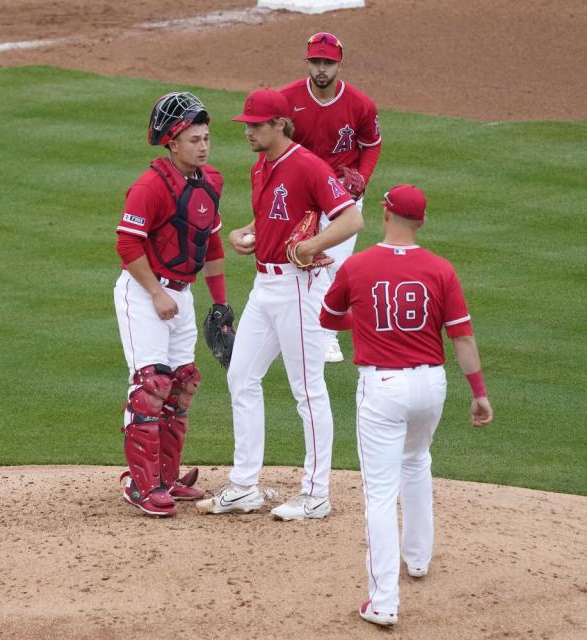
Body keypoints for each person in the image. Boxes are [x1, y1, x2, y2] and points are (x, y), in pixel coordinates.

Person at [318, 184, 493, 626]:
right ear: (422, 222)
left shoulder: (358, 266)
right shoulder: (440, 269)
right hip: (431, 386)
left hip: (383, 387)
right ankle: (417, 559)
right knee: (416, 462)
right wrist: (478, 392)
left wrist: (365, 314)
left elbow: (327, 318)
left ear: (385, 214)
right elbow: (463, 337)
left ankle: (383, 602)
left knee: (380, 492)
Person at [197, 88, 362, 520]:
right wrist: (245, 233)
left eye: (256, 125)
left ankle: (316, 492)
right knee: (241, 376)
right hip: (265, 287)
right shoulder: (261, 167)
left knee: (307, 389)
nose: (248, 131)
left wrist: (312, 245)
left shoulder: (308, 165)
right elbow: (272, 212)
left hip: (299, 289)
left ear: (279, 125)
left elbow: (351, 217)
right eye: (247, 125)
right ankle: (244, 485)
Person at [114, 91, 231, 517]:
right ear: (172, 142)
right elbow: (127, 244)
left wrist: (219, 306)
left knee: (183, 383)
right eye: (195, 139)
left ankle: (166, 478)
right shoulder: (149, 186)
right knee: (151, 387)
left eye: (206, 138)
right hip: (144, 293)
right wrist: (158, 293)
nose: (204, 146)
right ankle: (141, 487)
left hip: (180, 294)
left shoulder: (211, 182)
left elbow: (213, 243)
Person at [279, 32, 382, 363]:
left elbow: (371, 145)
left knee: (335, 266)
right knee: (295, 261)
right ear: (308, 62)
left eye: (328, 63)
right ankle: (294, 326)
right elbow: (274, 146)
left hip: (341, 195)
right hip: (302, 192)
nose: (322, 69)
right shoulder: (287, 100)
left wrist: (362, 179)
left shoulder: (360, 104)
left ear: (339, 64)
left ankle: (328, 336)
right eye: (316, 62)